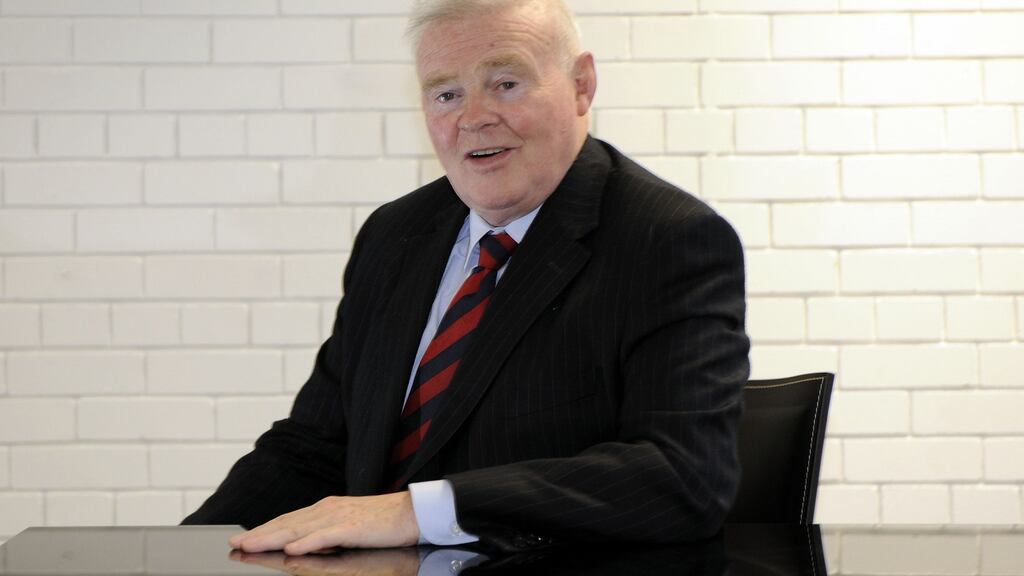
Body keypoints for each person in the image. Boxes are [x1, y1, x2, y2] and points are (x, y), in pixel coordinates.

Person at [182, 0, 750, 554]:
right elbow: (313, 447)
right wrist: (182, 553)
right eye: (447, 93)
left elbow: (684, 476)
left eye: (505, 83)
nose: (473, 116)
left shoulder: (667, 239)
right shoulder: (395, 235)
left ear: (582, 85)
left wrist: (415, 511)